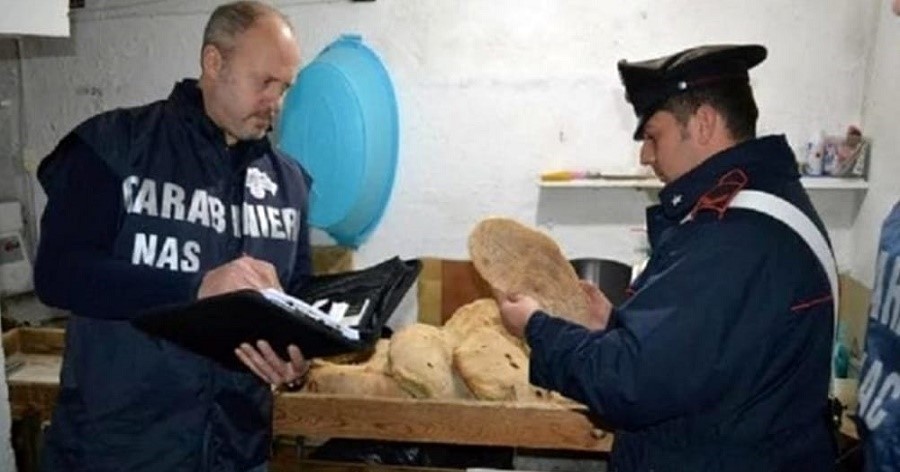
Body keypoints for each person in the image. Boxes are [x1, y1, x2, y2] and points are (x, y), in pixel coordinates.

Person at [496, 44, 837, 471]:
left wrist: (536, 327)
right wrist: (612, 324)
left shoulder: (735, 235)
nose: (645, 155)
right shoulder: (760, 206)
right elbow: (702, 355)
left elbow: (631, 384)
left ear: (704, 123)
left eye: (654, 136)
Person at [33, 2, 312, 470]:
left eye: (284, 87)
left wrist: (297, 362)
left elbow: (296, 295)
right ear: (213, 63)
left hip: (236, 453)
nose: (275, 101)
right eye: (264, 81)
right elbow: (58, 274)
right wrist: (196, 288)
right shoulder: (115, 146)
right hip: (118, 451)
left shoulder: (289, 183)